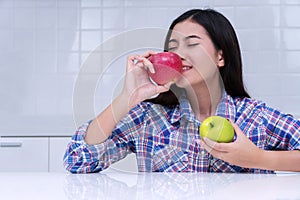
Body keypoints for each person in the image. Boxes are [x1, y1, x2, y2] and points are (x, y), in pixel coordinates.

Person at [63, 8, 300, 173]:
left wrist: (258, 158)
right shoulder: (149, 119)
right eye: (173, 46)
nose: (180, 54)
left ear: (220, 56)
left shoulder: (254, 117)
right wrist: (127, 97)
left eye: (192, 43)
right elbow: (77, 160)